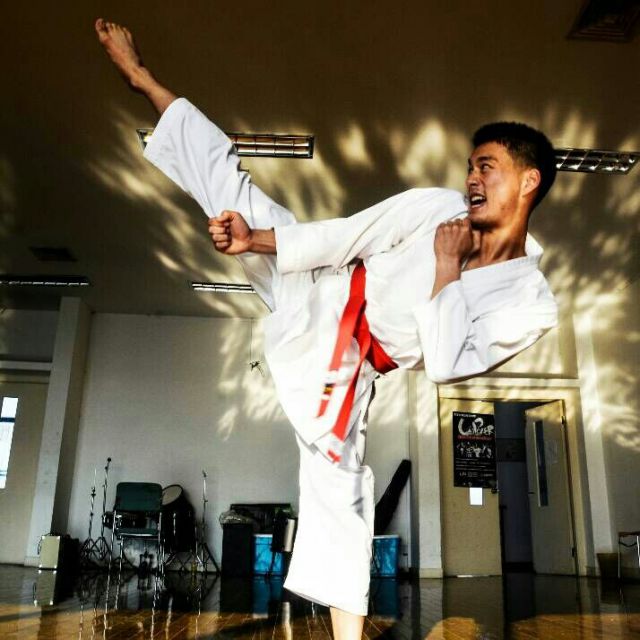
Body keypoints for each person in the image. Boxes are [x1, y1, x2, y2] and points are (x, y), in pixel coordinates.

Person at [95, 18, 558, 639]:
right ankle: (143, 79)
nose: (472, 179)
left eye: (488, 167)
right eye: (471, 166)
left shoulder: (530, 302)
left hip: (350, 366)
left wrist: (447, 268)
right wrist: (254, 239)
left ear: (528, 181)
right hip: (322, 284)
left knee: (341, 494)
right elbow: (346, 235)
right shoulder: (439, 206)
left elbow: (448, 364)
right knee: (232, 191)